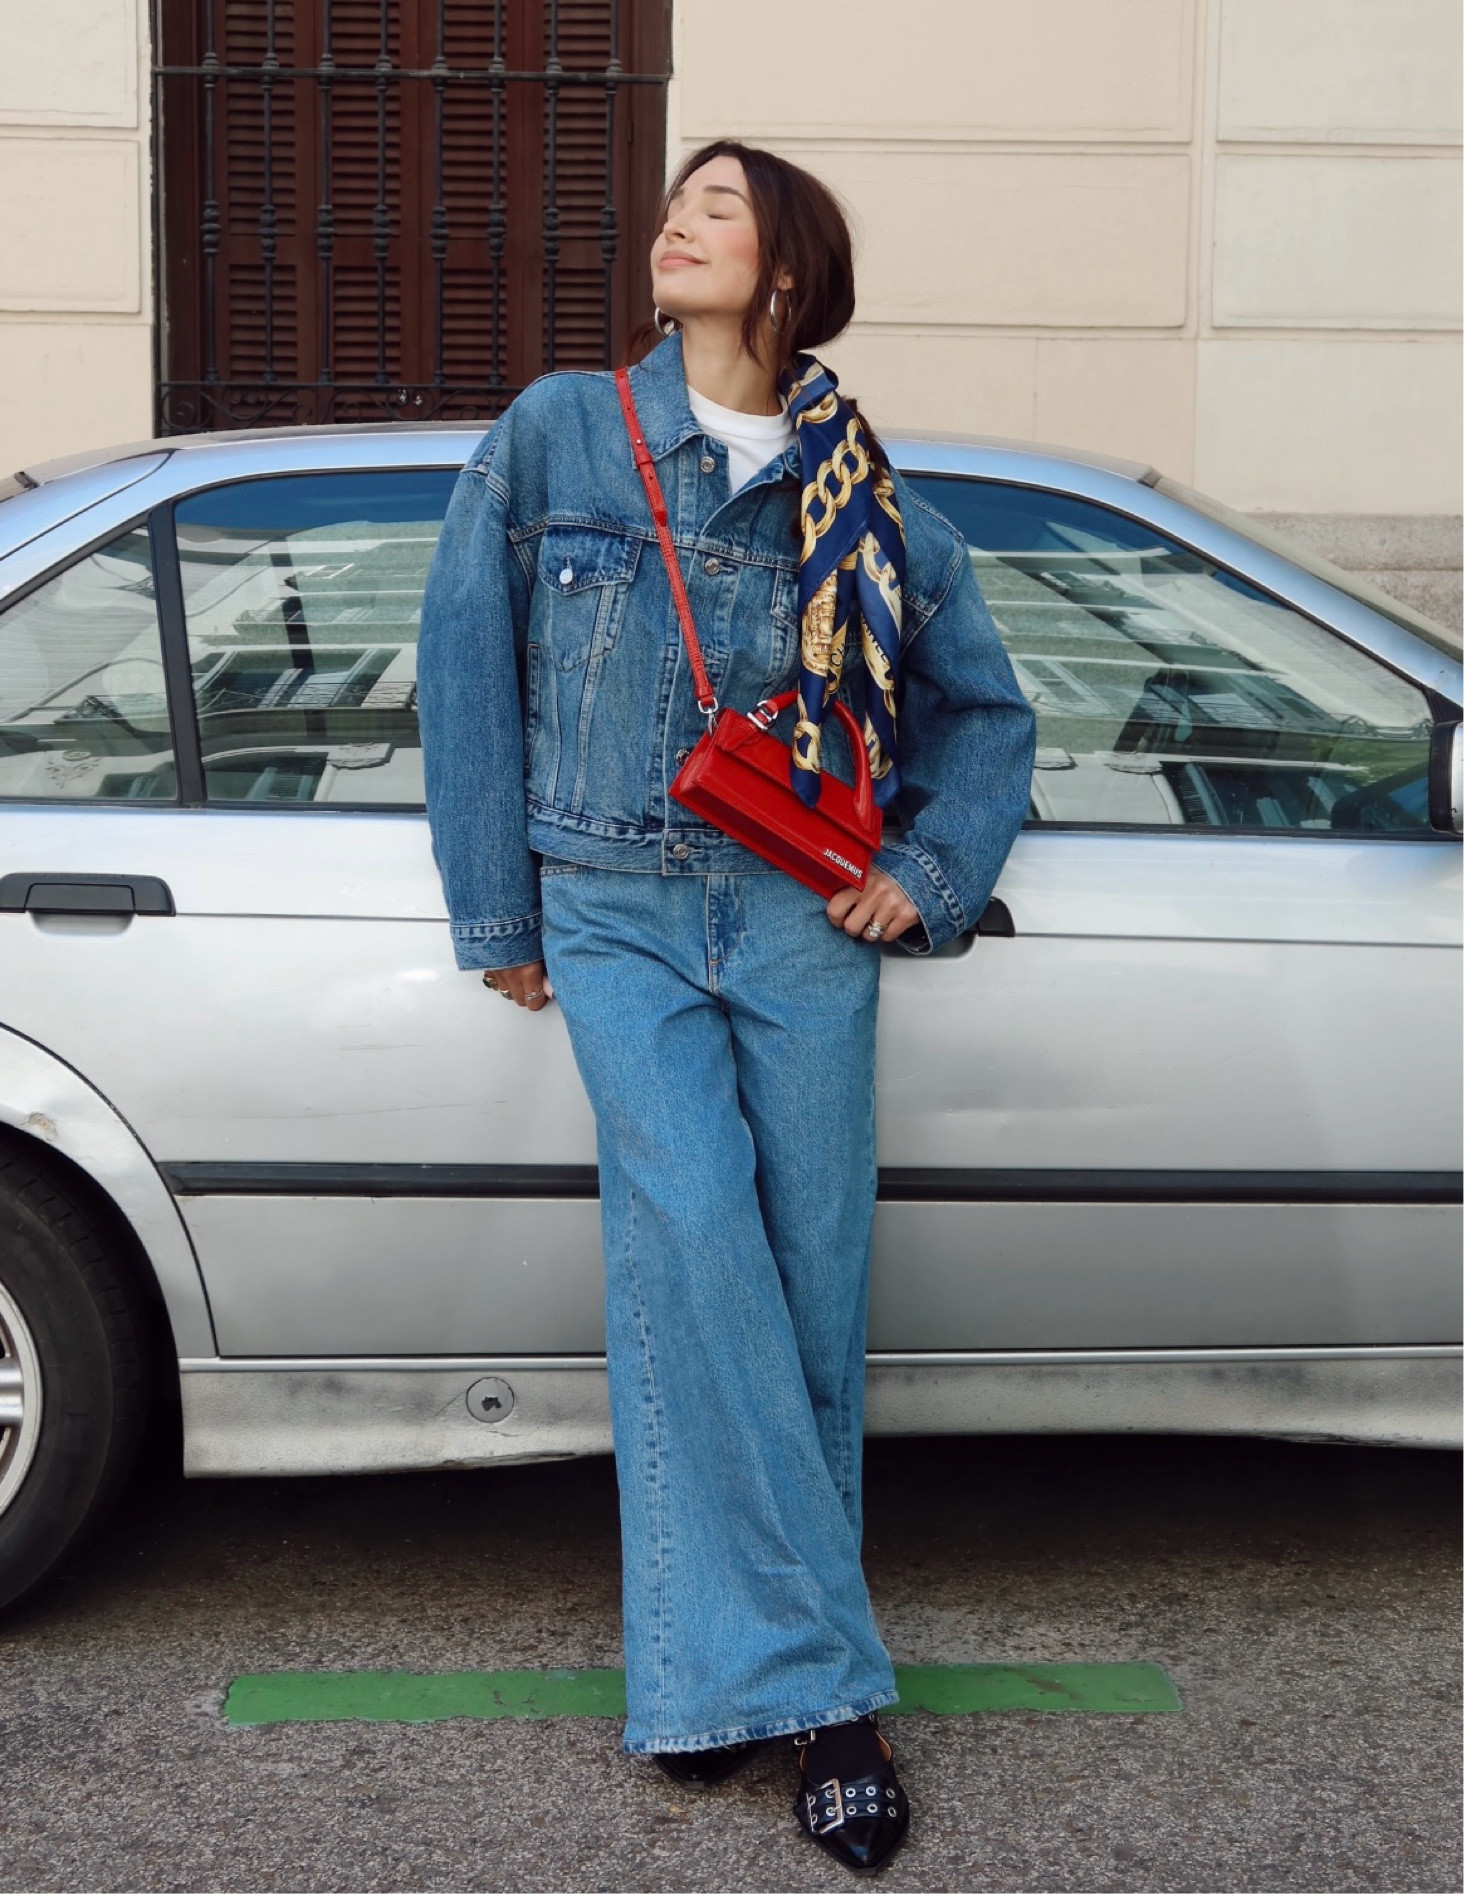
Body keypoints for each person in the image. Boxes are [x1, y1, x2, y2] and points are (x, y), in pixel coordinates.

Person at [417, 139, 1035, 1875]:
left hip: (797, 922)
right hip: (613, 908)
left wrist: (930, 869)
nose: (672, 224)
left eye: (716, 207)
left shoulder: (872, 494)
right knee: (694, 1246)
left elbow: (984, 719)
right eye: (674, 203)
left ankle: (703, 1686)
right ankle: (831, 1695)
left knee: (807, 1285)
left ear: (784, 272)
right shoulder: (560, 432)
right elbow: (463, 654)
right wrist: (498, 906)